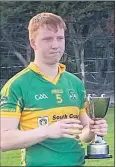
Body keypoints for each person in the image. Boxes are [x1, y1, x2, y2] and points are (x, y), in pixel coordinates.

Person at [0, 12, 108, 167]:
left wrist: (92, 129)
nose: (56, 45)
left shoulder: (75, 83)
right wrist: (47, 131)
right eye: (47, 39)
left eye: (60, 38)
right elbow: (3, 141)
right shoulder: (17, 85)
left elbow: (83, 135)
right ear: (33, 43)